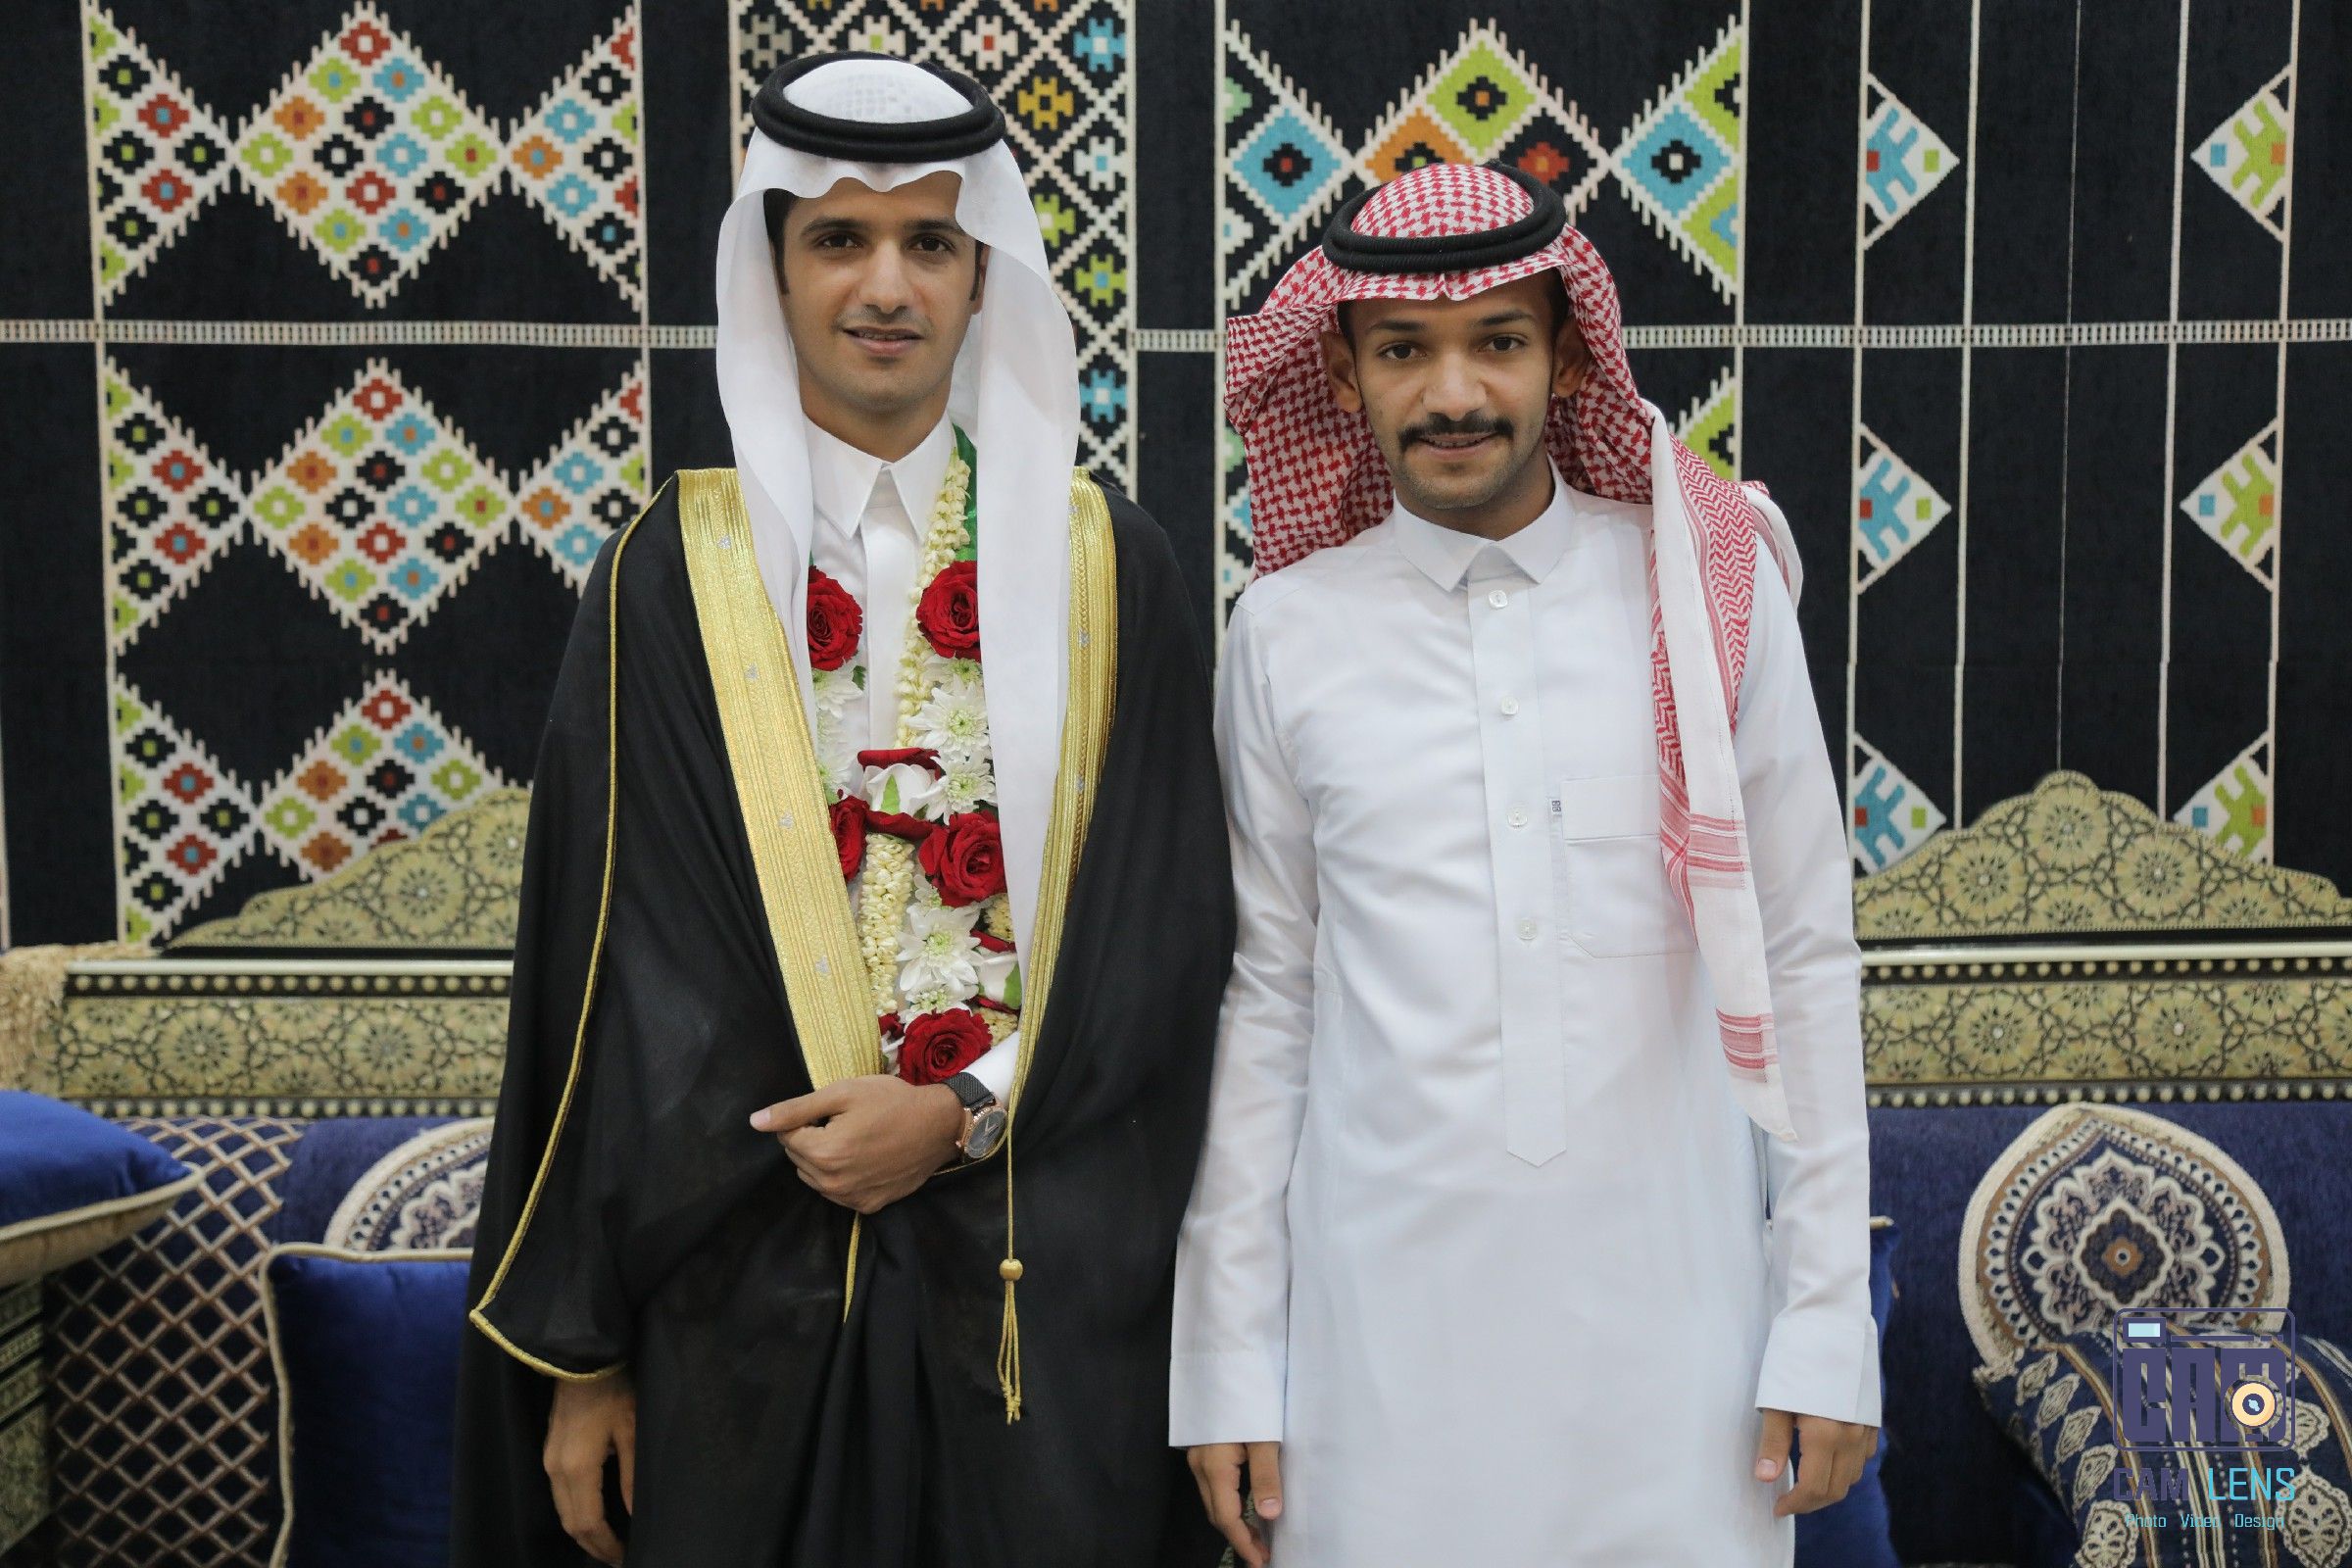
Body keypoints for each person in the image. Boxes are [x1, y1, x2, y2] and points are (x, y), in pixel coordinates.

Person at [452, 51, 1232, 1567]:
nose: (886, 285)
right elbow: (602, 985)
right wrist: (587, 1355)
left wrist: (958, 1114)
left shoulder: (1106, 570)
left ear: (983, 275)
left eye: (930, 241)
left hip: (1040, 1303)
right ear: (775, 271)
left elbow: (1164, 949)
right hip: (732, 1310)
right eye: (839, 239)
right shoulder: (666, 575)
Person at [1171, 160, 1881, 1565]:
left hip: (1682, 1349)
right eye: (1402, 351)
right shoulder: (1286, 632)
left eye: (1498, 341)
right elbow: (1268, 1002)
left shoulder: (1707, 582)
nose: (1454, 393)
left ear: (1568, 356)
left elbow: (1803, 958)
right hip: (1378, 1360)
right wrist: (1230, 1357)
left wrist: (1824, 1323)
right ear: (1343, 373)